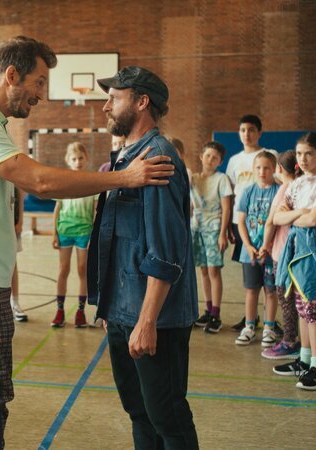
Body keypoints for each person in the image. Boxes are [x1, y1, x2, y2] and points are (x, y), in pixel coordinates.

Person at [0, 37, 174, 449]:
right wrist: (123, 178)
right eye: (39, 82)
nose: (42, 94)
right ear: (11, 76)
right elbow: (40, 180)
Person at [88, 66, 199, 449]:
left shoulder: (159, 158)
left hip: (156, 318)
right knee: (139, 412)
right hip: (122, 312)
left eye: (113, 97)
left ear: (141, 102)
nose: (105, 106)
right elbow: (116, 242)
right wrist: (111, 308)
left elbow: (166, 252)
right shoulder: (126, 160)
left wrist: (146, 320)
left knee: (167, 417)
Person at [272, 133, 316, 390]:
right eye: (299, 154)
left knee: (312, 310)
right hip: (295, 249)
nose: (303, 158)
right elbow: (277, 218)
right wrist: (301, 212)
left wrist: (294, 217)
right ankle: (304, 359)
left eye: (309, 153)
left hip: (313, 251)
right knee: (300, 308)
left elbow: (315, 221)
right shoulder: (296, 184)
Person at [225, 115, 278, 331]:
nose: (247, 134)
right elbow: (230, 193)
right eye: (243, 130)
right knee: (250, 276)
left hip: (269, 223)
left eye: (251, 130)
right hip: (244, 222)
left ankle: (270, 322)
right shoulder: (234, 161)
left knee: (270, 281)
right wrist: (229, 224)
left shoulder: (270, 155)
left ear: (259, 133)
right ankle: (250, 319)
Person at [234, 151, 280, 347]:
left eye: (267, 167)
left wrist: (266, 246)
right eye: (258, 167)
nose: (262, 171)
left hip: (271, 252)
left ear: (274, 169)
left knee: (271, 291)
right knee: (251, 290)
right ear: (253, 170)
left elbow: (278, 222)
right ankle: (249, 326)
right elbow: (241, 221)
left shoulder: (279, 191)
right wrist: (248, 245)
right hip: (250, 252)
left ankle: (269, 327)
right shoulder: (248, 191)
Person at [51, 142, 96, 328]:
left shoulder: (92, 182)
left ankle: (80, 311)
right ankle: (60, 310)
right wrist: (54, 234)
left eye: (81, 158)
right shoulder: (64, 181)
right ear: (68, 161)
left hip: (84, 231)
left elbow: (95, 211)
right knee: (63, 270)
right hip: (65, 231)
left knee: (82, 270)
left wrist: (94, 234)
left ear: (86, 159)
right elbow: (57, 209)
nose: (77, 162)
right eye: (74, 159)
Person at [261, 150, 301, 360]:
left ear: (278, 168)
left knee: (285, 297)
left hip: (282, 252)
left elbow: (271, 221)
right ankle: (292, 338)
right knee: (292, 297)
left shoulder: (285, 188)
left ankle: (290, 341)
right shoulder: (298, 186)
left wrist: (264, 244)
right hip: (294, 250)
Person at [191, 141, 233, 333]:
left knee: (214, 271)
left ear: (220, 162)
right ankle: (208, 310)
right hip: (196, 229)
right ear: (201, 156)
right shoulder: (194, 178)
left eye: (215, 158)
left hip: (214, 229)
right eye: (207, 155)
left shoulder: (221, 179)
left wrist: (223, 233)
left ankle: (216, 314)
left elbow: (226, 208)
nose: (210, 159)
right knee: (203, 271)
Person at [10, 186, 28, 322]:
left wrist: (20, 221)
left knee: (12, 264)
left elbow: (20, 197)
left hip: (12, 225)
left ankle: (15, 303)